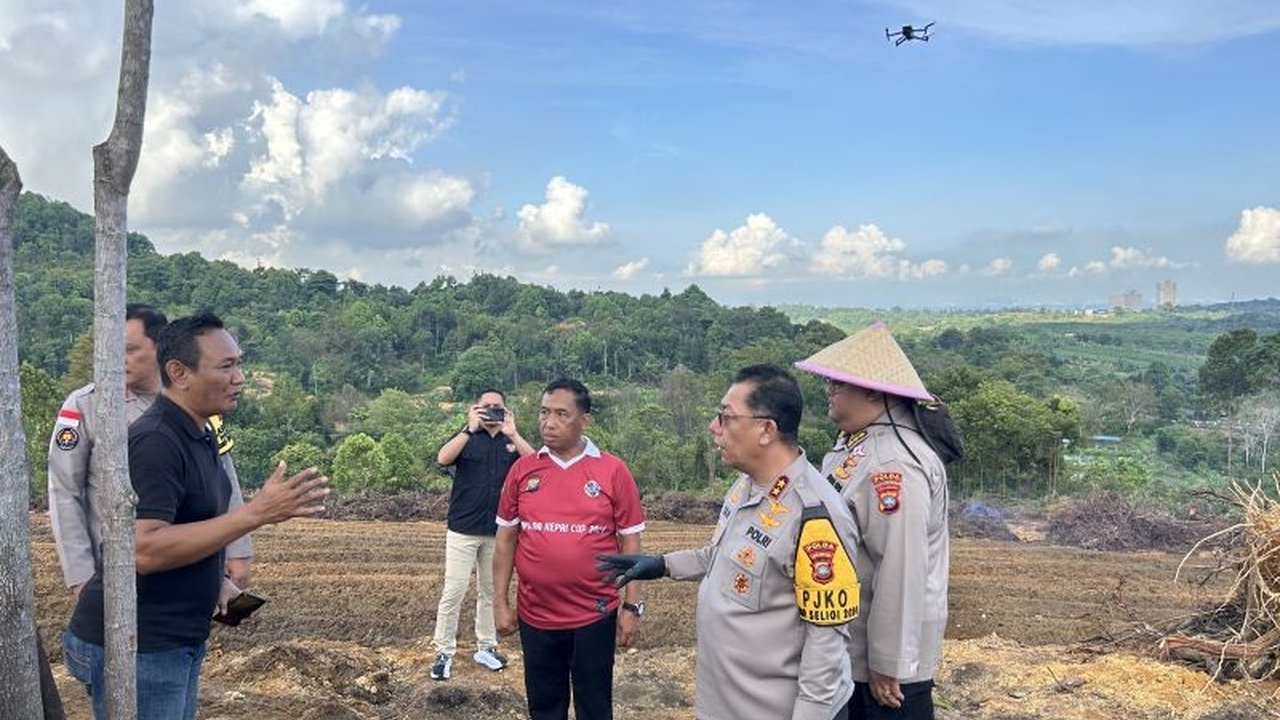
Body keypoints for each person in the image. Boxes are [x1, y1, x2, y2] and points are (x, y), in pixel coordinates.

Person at [62, 311, 330, 720]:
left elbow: (190, 521)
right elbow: (145, 549)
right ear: (179, 373)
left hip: (176, 637)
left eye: (239, 363)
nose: (239, 377)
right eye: (226, 366)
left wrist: (217, 584)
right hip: (139, 644)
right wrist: (255, 513)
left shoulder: (202, 432)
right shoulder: (155, 441)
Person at [597, 364, 860, 720]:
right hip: (726, 704)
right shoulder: (747, 486)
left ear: (766, 429)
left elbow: (826, 645)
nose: (713, 427)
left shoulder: (814, 514)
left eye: (726, 417)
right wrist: (664, 564)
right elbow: (722, 555)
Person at [795, 322, 950, 720]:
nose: (828, 391)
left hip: (881, 671)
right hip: (855, 651)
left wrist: (887, 662)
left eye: (837, 384)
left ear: (872, 391)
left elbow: (900, 566)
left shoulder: (891, 464)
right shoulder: (860, 445)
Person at [48, 304, 255, 599]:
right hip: (117, 571)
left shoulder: (196, 400)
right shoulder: (87, 405)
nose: (118, 358)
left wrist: (238, 551)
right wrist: (79, 576)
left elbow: (224, 475)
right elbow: (65, 492)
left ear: (161, 350)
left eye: (130, 349)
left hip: (188, 571)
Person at [493, 378, 646, 720]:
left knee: (594, 707)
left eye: (561, 414)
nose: (549, 422)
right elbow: (505, 541)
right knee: (545, 707)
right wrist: (500, 602)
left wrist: (631, 607)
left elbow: (631, 543)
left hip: (594, 614)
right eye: (544, 412)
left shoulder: (612, 471)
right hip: (536, 615)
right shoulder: (523, 470)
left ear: (585, 420)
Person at [429, 388, 535, 680]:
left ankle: (487, 647)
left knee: (490, 593)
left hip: (498, 533)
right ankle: (443, 652)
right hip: (462, 529)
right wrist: (468, 427)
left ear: (506, 410)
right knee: (454, 591)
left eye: (496, 406)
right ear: (475, 408)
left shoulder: (511, 442)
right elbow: (442, 458)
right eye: (485, 406)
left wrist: (513, 433)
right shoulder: (466, 438)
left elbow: (539, 466)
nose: (491, 410)